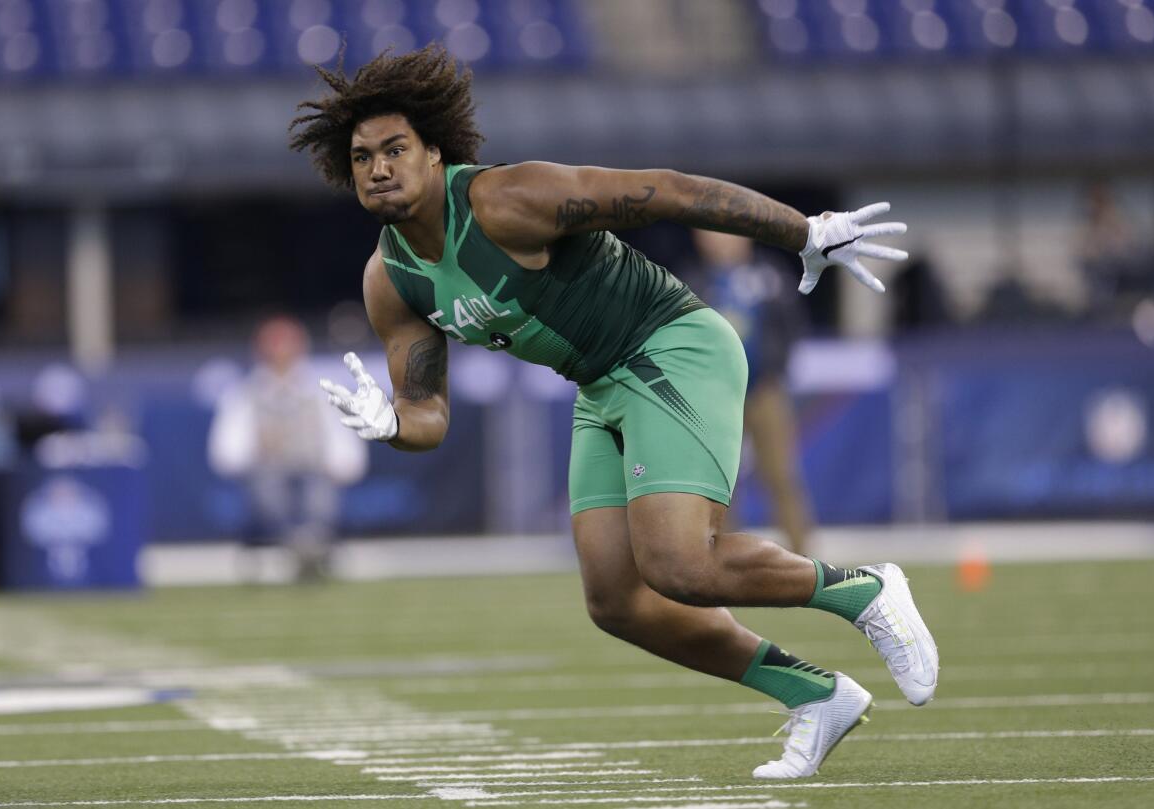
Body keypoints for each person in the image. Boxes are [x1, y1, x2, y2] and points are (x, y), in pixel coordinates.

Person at [293, 45, 937, 779]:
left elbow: (661, 190)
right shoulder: (389, 278)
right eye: (362, 157)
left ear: (434, 151)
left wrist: (802, 230)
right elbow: (427, 411)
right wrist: (392, 425)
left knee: (680, 563)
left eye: (395, 149)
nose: (378, 167)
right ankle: (814, 694)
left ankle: (867, 590)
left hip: (670, 344)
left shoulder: (506, 201)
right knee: (615, 599)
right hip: (599, 383)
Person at [208, 315, 367, 582]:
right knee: (269, 488)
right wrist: (255, 454)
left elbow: (345, 449)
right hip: (267, 471)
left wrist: (337, 466)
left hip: (312, 470)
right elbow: (225, 454)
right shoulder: (243, 394)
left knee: (319, 490)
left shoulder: (323, 391)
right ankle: (302, 545)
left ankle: (309, 542)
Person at [683, 229, 813, 554]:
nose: (721, 240)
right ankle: (724, 559)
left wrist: (776, 368)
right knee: (720, 483)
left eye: (726, 233)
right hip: (715, 395)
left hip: (764, 389)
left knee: (781, 474)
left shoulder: (770, 275)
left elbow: (792, 325)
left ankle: (806, 560)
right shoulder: (692, 281)